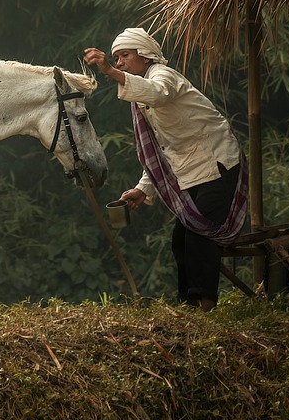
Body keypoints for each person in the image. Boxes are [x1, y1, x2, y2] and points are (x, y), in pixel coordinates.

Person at [84, 28, 247, 311]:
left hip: (216, 163)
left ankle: (205, 308)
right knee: (180, 240)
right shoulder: (141, 95)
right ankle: (188, 306)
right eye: (116, 58)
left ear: (144, 55)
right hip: (189, 169)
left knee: (201, 236)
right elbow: (162, 151)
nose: (120, 62)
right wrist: (142, 188)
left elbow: (157, 93)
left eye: (124, 55)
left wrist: (109, 72)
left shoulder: (163, 76)